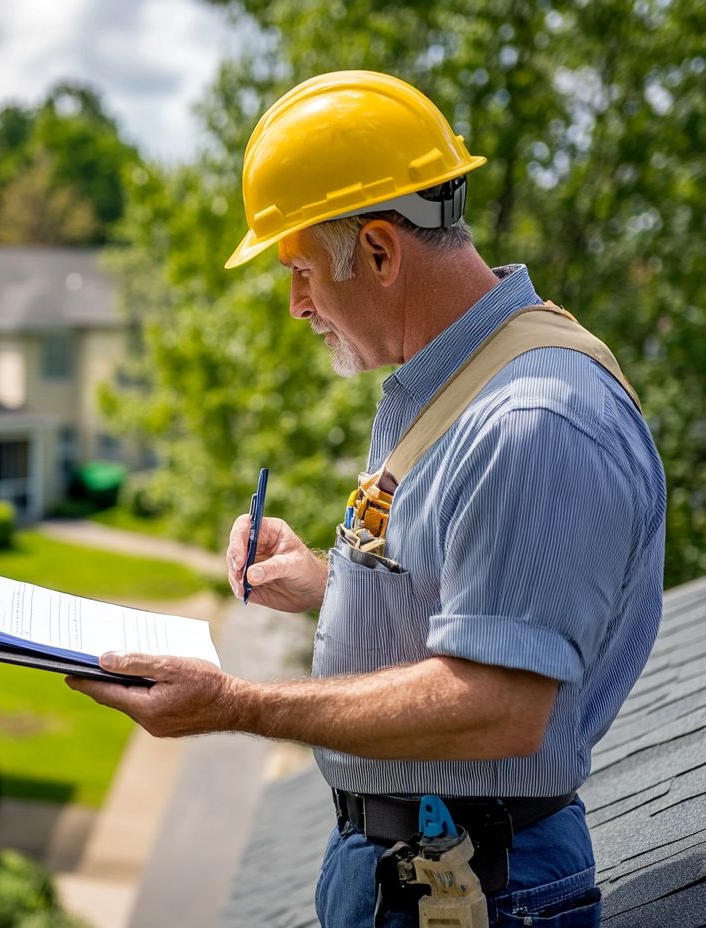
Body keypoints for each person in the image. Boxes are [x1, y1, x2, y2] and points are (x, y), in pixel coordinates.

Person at [67, 70, 666, 927]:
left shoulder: (531, 421)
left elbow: (497, 706)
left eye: (302, 269)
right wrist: (323, 582)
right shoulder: (457, 384)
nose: (295, 305)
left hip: (471, 887)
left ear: (381, 250)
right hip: (420, 871)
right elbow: (466, 597)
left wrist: (236, 704)